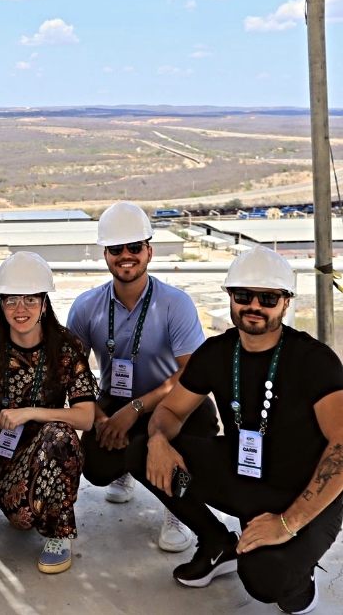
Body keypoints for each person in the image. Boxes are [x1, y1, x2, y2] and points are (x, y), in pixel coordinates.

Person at [135, 246, 343, 614]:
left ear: (286, 303)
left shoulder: (312, 360)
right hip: (243, 473)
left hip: (301, 489)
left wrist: (287, 524)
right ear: (230, 297)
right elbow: (169, 409)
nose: (254, 306)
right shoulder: (218, 352)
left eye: (268, 297)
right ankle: (217, 543)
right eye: (244, 295)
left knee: (268, 580)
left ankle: (298, 575)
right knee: (138, 448)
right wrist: (158, 439)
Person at [67, 201, 216, 553]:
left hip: (173, 401)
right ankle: (125, 467)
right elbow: (71, 370)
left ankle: (176, 505)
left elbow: (191, 372)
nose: (126, 256)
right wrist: (101, 417)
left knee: (198, 424)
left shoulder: (174, 303)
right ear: (105, 254)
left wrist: (134, 409)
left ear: (149, 251)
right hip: (115, 400)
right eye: (117, 249)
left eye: (135, 247)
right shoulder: (87, 306)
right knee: (97, 468)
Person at [0, 252, 96, 574]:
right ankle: (32, 505)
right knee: (22, 519)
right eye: (11, 300)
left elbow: (85, 417)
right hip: (4, 455)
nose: (20, 309)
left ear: (44, 303)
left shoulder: (67, 347)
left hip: (52, 448)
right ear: (1, 305)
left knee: (59, 436)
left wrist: (30, 413)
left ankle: (59, 534)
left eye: (29, 299)